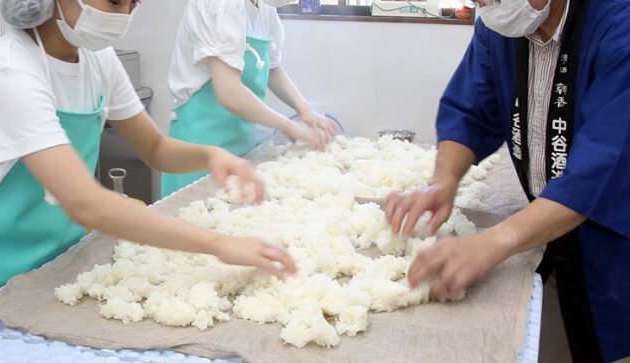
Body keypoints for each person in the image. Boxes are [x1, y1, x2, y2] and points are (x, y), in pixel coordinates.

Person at [0, 0, 297, 303]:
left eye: (134, 4)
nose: (125, 15)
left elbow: (155, 147)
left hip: (60, 261)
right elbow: (85, 203)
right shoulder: (8, 69)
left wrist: (212, 156)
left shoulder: (97, 60)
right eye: (116, 1)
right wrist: (219, 244)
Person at [385, 0, 630, 361]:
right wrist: (444, 180)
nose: (489, 5)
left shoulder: (618, 27)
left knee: (609, 339)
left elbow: (600, 167)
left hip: (613, 243)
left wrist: (493, 242)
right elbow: (470, 109)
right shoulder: (503, 25)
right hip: (548, 227)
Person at [162, 0, 340, 197]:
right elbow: (229, 92)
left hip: (240, 142)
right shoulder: (221, 4)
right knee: (195, 215)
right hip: (199, 145)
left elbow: (271, 68)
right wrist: (290, 126)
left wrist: (305, 109)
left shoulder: (264, 8)